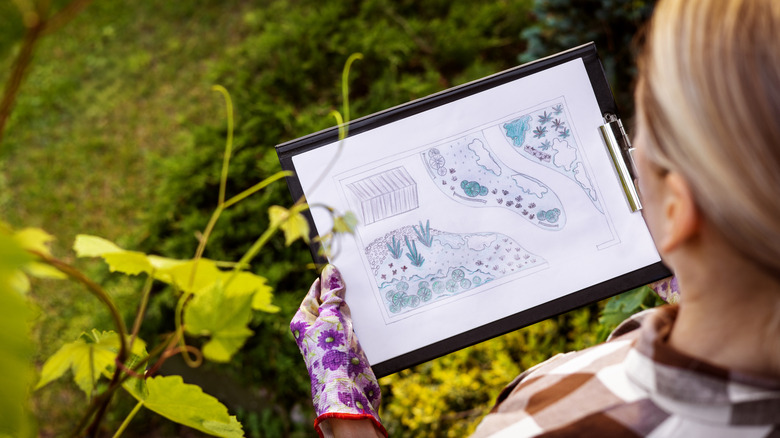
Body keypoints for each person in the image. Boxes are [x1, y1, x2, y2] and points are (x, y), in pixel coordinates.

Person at [290, 0, 780, 435]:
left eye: (640, 130)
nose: (627, 151)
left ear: (677, 208)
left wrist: (346, 420)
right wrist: (710, 277)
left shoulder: (552, 419)